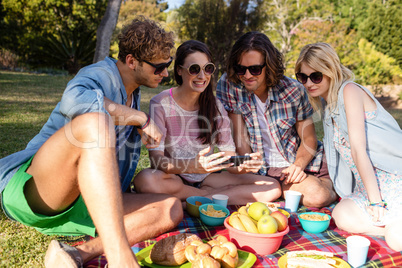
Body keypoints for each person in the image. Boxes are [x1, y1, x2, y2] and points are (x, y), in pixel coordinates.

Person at [0, 16, 183, 268]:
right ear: (131, 61)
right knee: (96, 122)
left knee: (170, 208)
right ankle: (121, 260)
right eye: (158, 67)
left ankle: (78, 253)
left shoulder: (132, 93)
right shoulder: (100, 74)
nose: (164, 73)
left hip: (83, 202)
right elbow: (73, 102)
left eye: (167, 65)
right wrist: (140, 118)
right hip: (41, 190)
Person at [134, 40, 281, 205]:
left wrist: (243, 164)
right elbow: (157, 161)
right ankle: (209, 196)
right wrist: (191, 166)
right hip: (175, 179)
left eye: (208, 68)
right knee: (145, 180)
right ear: (179, 71)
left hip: (208, 177)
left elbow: (228, 158)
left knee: (273, 187)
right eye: (194, 69)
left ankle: (197, 199)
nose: (202, 76)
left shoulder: (216, 106)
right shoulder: (160, 103)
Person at [295, 42, 402, 251]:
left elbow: (357, 149)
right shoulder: (329, 108)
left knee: (396, 240)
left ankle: (392, 227)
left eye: (315, 76)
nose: (308, 83)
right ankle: (390, 225)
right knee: (340, 215)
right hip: (368, 186)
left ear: (330, 72)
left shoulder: (350, 91)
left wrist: (376, 202)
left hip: (392, 178)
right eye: (302, 77)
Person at [216, 31, 338, 208]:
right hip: (262, 169)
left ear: (269, 66)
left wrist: (298, 166)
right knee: (214, 182)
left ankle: (325, 184)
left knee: (318, 197)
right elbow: (239, 136)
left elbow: (309, 139)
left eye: (255, 69)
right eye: (241, 69)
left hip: (294, 161)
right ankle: (282, 189)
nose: (247, 75)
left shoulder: (293, 90)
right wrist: (248, 163)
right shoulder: (229, 85)